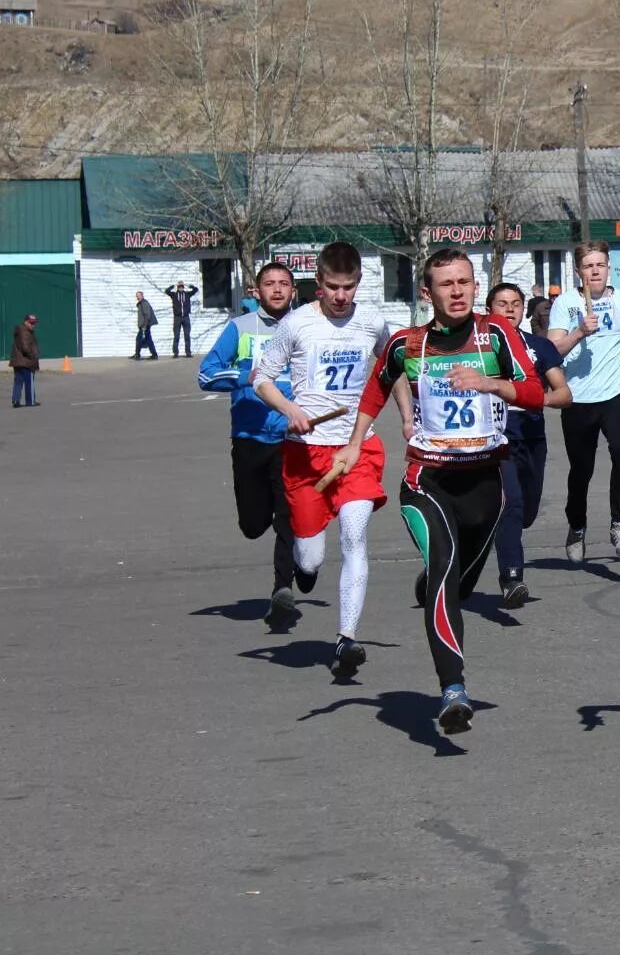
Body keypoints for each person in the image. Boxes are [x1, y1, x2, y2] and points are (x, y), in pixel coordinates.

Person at [348, 250, 544, 734]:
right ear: (427, 293)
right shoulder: (406, 344)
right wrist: (355, 444)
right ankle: (453, 690)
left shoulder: (496, 333)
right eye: (445, 284)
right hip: (428, 478)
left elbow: (539, 394)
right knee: (443, 574)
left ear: (476, 288)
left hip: (486, 482)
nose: (456, 291)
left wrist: (491, 383)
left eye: (464, 282)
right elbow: (377, 388)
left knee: (460, 583)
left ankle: (436, 582)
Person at [251, 242, 392, 680]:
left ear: (358, 284)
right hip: (305, 457)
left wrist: (409, 417)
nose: (340, 296)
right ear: (318, 283)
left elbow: (393, 367)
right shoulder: (296, 325)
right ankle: (304, 565)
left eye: (348, 288)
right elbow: (261, 378)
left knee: (355, 534)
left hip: (357, 447)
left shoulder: (372, 322)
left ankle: (346, 638)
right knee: (310, 558)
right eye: (332, 287)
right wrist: (290, 410)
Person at [199, 262, 305, 625]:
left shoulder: (306, 326)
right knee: (254, 523)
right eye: (269, 284)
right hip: (249, 439)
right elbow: (206, 374)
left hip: (293, 439)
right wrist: (250, 377)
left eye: (284, 284)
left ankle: (283, 589)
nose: (277, 290)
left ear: (293, 290)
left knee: (288, 516)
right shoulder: (240, 329)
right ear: (256, 291)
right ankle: (294, 565)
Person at [548, 242, 620, 562]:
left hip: (616, 394)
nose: (595, 271)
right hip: (577, 398)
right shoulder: (566, 303)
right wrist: (579, 332)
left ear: (609, 268)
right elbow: (553, 352)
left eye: (600, 265)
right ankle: (577, 526)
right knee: (582, 469)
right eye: (588, 266)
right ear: (578, 272)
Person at [485, 282, 573, 607]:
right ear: (488, 308)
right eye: (502, 303)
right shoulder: (479, 348)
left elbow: (564, 394)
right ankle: (511, 578)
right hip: (497, 437)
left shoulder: (538, 346)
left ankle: (475, 550)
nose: (510, 309)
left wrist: (538, 398)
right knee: (512, 503)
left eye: (516, 304)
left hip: (532, 435)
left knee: (526, 512)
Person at [10, 314, 40, 408]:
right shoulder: (25, 331)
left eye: (34, 323)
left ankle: (16, 400)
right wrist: (33, 357)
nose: (33, 325)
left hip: (18, 361)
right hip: (26, 362)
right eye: (31, 323)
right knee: (29, 382)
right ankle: (30, 401)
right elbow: (25, 348)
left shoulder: (21, 330)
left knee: (18, 381)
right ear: (26, 322)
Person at [166, 280, 199, 358]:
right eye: (179, 287)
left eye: (182, 287)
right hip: (177, 317)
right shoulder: (174, 295)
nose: (181, 288)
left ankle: (188, 352)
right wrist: (171, 287)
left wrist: (191, 286)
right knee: (176, 335)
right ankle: (175, 353)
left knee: (187, 335)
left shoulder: (187, 294)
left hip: (186, 317)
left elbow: (196, 290)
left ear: (183, 287)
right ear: (178, 287)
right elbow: (167, 291)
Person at [133, 291, 159, 360]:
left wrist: (144, 326)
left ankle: (137, 355)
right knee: (148, 340)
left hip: (145, 325)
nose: (137, 297)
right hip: (144, 325)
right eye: (137, 296)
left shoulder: (144, 303)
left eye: (138, 295)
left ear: (142, 296)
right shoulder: (141, 303)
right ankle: (154, 354)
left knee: (139, 339)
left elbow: (147, 315)